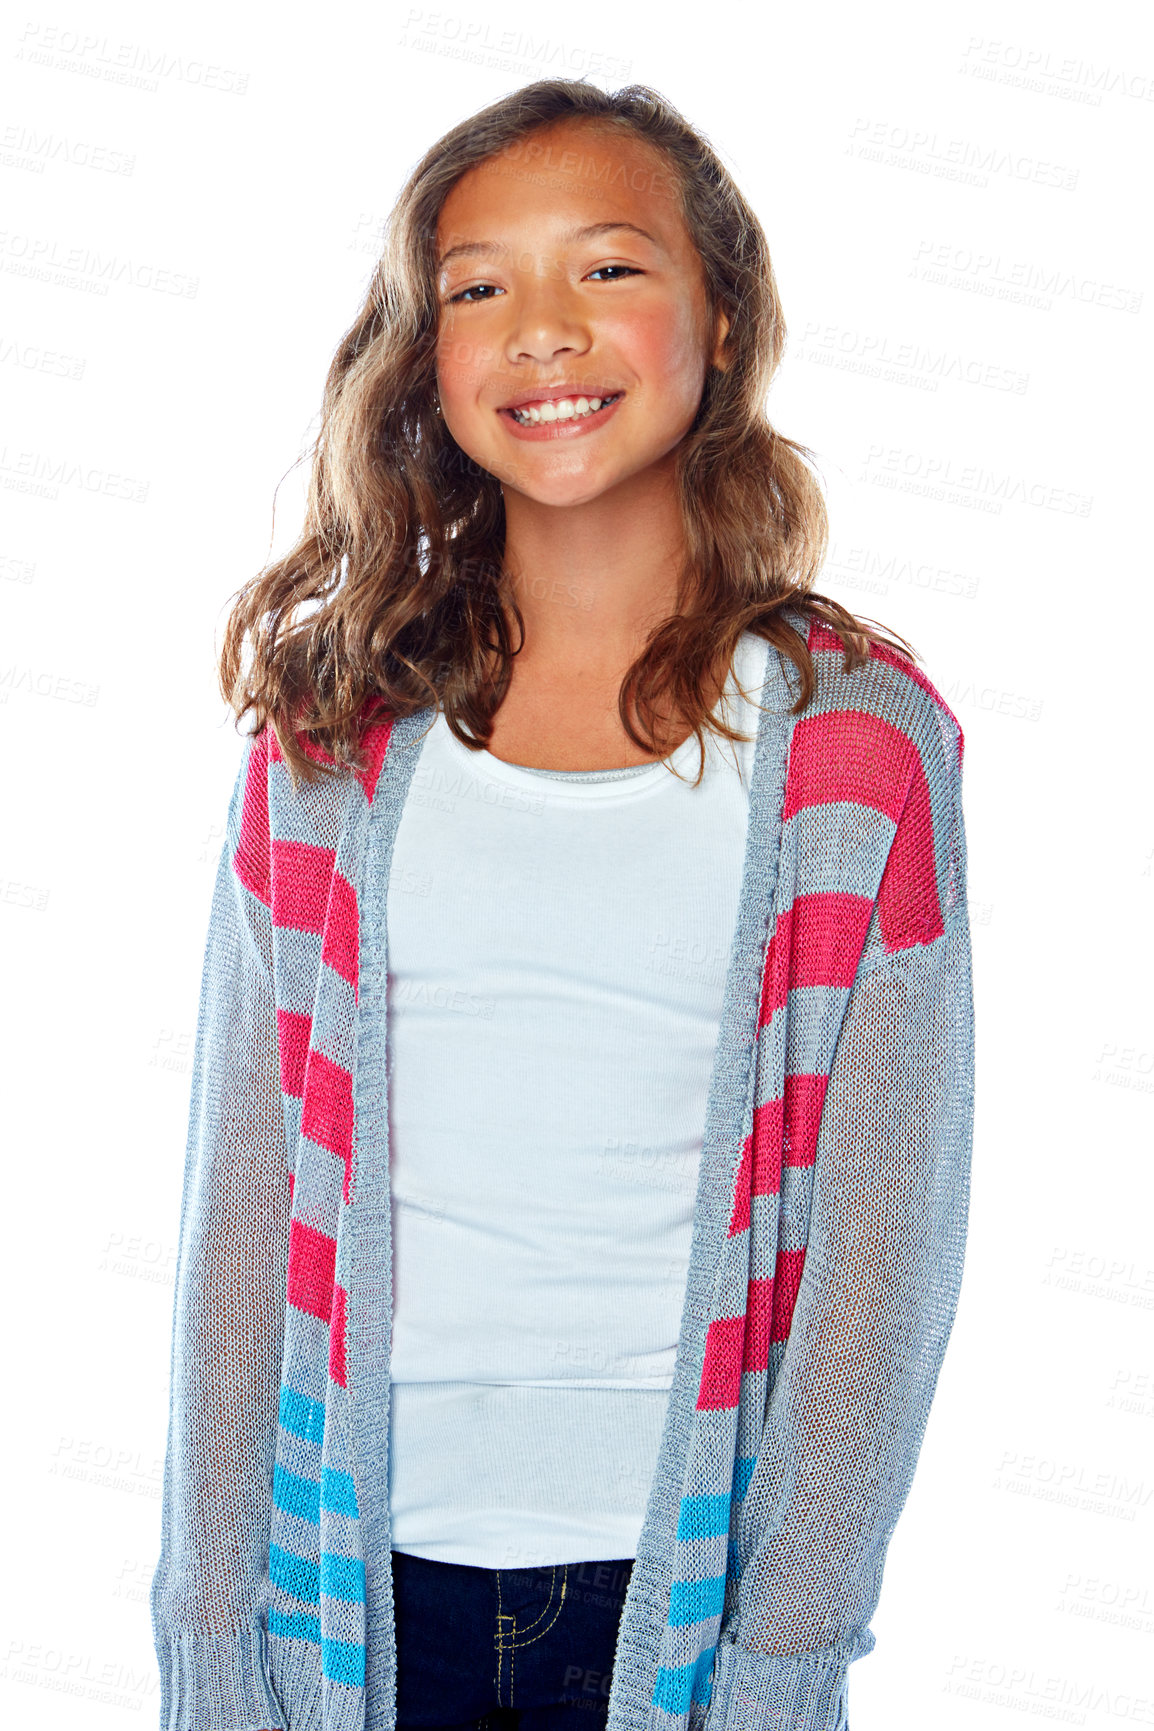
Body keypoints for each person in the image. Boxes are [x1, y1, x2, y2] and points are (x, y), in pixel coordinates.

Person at [150, 78, 975, 1731]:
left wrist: (785, 1660)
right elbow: (240, 1226)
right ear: (424, 358)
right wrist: (211, 1639)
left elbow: (882, 1251)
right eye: (478, 287)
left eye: (606, 268)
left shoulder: (851, 750)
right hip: (349, 1583)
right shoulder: (329, 749)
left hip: (678, 1604)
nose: (542, 331)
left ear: (719, 318)